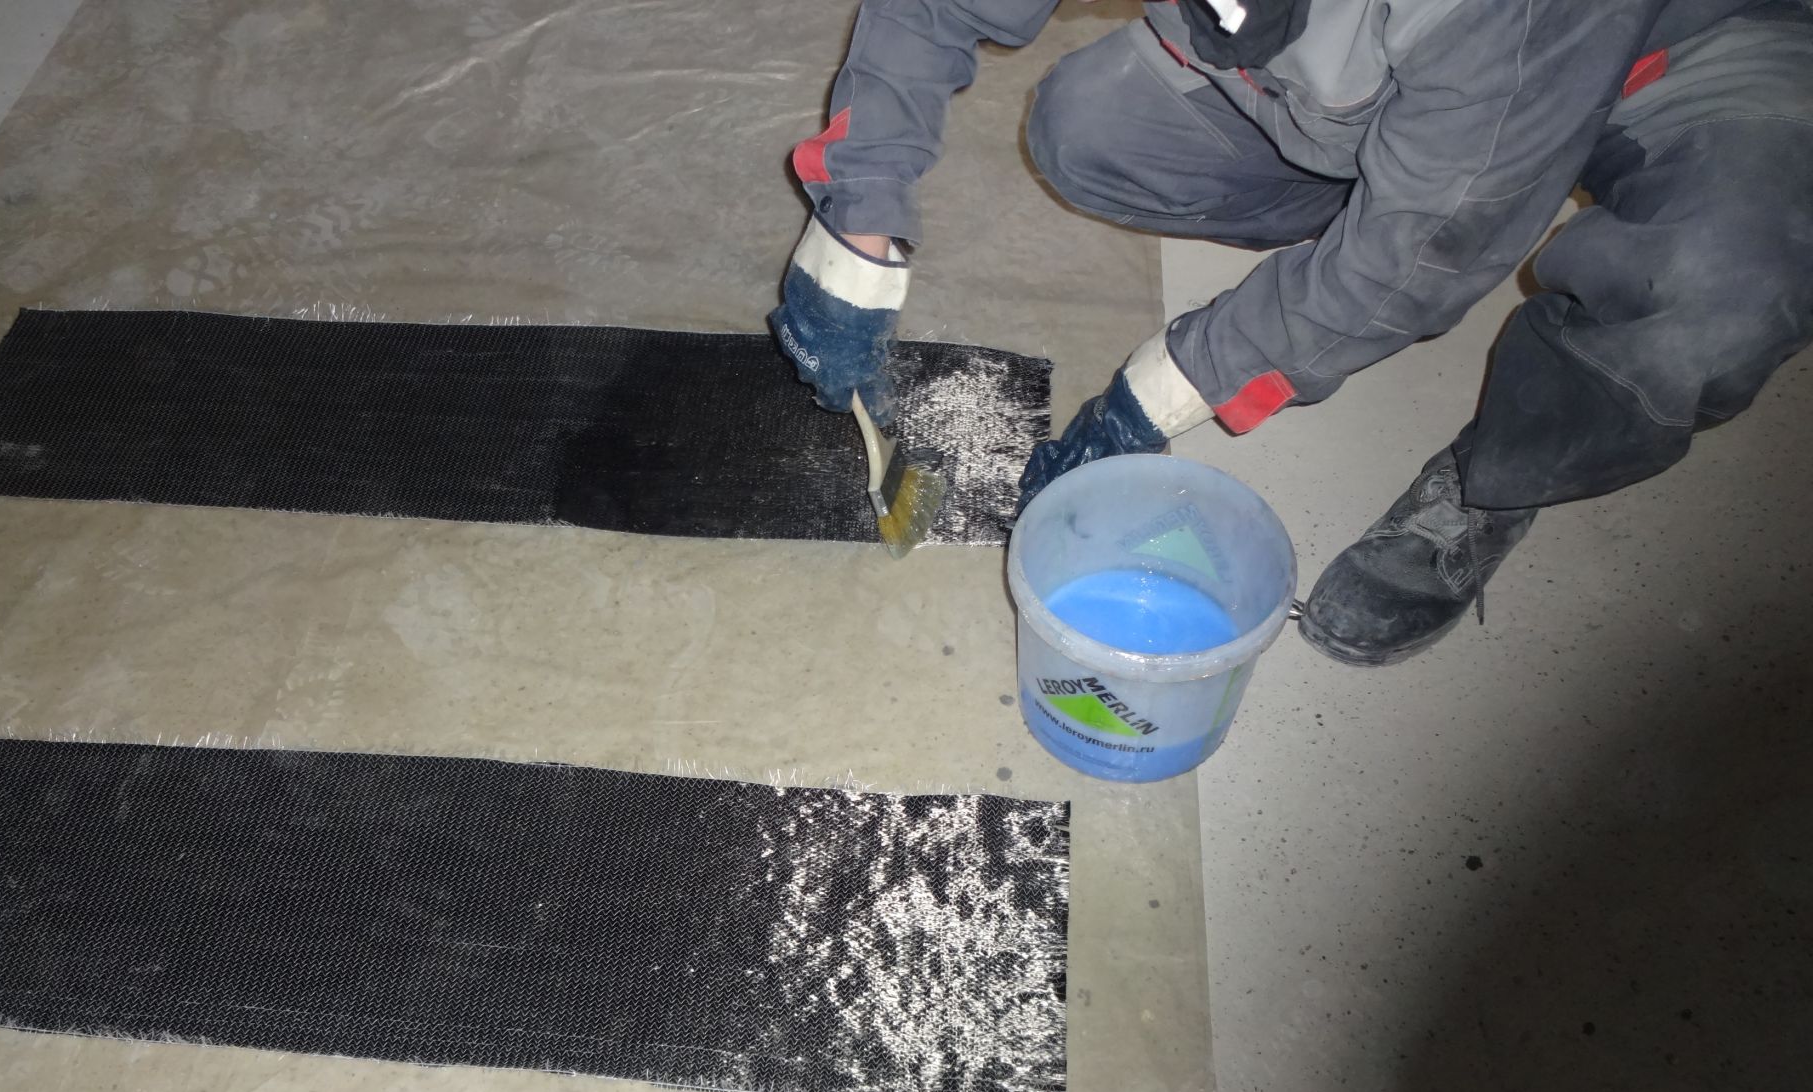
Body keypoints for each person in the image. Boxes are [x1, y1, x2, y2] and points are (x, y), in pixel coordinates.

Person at [768, 0, 1813, 665]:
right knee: (1091, 129)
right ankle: (1399, 198)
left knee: (1720, 286)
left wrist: (1158, 393)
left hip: (1683, 47)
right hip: (1397, 62)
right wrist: (857, 215)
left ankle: (1498, 478)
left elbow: (1420, 260)